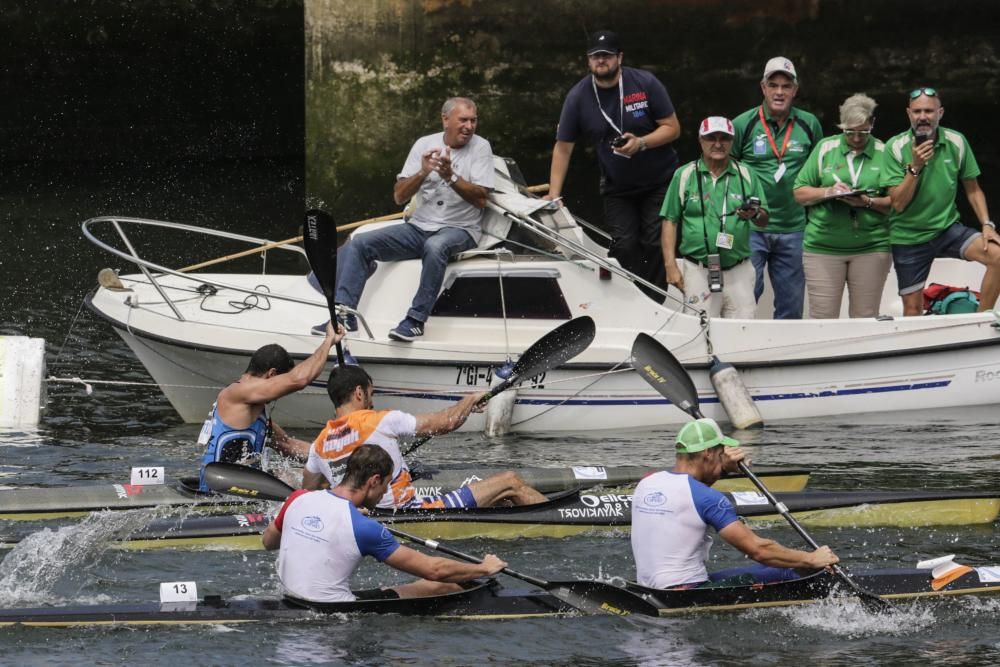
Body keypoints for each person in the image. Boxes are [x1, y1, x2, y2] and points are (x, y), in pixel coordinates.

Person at [335, 96, 495, 342]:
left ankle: (415, 321)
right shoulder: (424, 144)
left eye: (473, 121)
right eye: (463, 120)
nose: (469, 126)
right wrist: (423, 171)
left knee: (435, 246)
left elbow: (481, 200)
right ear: (445, 120)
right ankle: (345, 317)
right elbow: (399, 197)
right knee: (360, 243)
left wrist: (450, 176)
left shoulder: (481, 147)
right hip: (418, 227)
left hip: (460, 229)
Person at [262, 444, 506, 603]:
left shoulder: (298, 498)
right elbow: (434, 570)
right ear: (374, 481)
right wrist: (484, 568)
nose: (385, 492)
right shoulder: (364, 528)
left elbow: (268, 542)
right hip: (336, 618)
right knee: (438, 586)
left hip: (290, 599)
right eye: (387, 484)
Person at [545, 30, 681, 301]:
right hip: (618, 186)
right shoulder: (578, 96)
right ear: (588, 61)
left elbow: (673, 128)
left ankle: (655, 302)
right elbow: (563, 147)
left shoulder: (645, 83)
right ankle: (627, 301)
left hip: (659, 180)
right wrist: (554, 194)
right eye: (595, 56)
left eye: (607, 55)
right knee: (624, 244)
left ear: (619, 57)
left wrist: (641, 143)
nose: (601, 61)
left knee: (654, 242)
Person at [631, 418, 838, 589]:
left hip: (649, 587)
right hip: (689, 591)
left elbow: (691, 494)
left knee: (777, 565)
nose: (723, 458)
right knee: (790, 570)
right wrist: (811, 559)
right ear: (708, 453)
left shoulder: (647, 483)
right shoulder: (707, 497)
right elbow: (759, 550)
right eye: (721, 453)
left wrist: (724, 468)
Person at [302, 364, 547, 509]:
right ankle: (564, 517)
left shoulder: (319, 445)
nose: (372, 401)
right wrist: (470, 400)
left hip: (369, 516)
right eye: (370, 393)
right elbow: (446, 423)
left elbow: (308, 490)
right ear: (358, 393)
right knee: (510, 481)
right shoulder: (381, 420)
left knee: (500, 500)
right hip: (412, 511)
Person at [880, 87, 1000, 315]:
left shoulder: (957, 141)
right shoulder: (894, 147)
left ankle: (980, 322)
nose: (922, 117)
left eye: (928, 111)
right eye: (917, 111)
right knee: (912, 310)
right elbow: (898, 204)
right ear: (908, 114)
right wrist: (915, 166)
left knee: (998, 256)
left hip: (947, 228)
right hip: (909, 236)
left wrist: (986, 224)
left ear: (940, 113)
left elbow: (973, 189)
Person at [197, 323, 346, 492]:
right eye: (281, 382)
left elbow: (288, 445)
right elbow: (299, 379)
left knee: (312, 477)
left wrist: (334, 457)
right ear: (272, 374)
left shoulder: (254, 412)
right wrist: (328, 341)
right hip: (216, 494)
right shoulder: (237, 392)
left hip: (244, 490)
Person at [732, 57, 822, 319]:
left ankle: (786, 347)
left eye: (786, 86)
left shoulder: (809, 124)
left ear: (795, 89)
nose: (779, 92)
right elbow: (728, 172)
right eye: (773, 85)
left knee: (791, 307)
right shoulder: (743, 124)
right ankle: (742, 344)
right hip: (751, 229)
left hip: (795, 228)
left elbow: (820, 171)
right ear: (763, 88)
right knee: (745, 301)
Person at [793, 93, 892, 318]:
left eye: (863, 132)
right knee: (823, 319)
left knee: (865, 318)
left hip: (871, 246)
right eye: (849, 131)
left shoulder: (884, 152)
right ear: (841, 125)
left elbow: (896, 203)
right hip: (823, 247)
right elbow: (799, 193)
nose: (856, 138)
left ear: (872, 123)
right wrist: (828, 192)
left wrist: (867, 202)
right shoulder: (825, 148)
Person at [660, 116, 770, 319]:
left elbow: (764, 219)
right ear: (700, 140)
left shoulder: (746, 174)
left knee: (742, 331)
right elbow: (670, 220)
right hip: (698, 270)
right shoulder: (684, 174)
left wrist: (754, 214)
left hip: (739, 270)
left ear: (732, 142)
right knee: (700, 330)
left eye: (724, 138)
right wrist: (670, 265)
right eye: (711, 138)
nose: (718, 144)